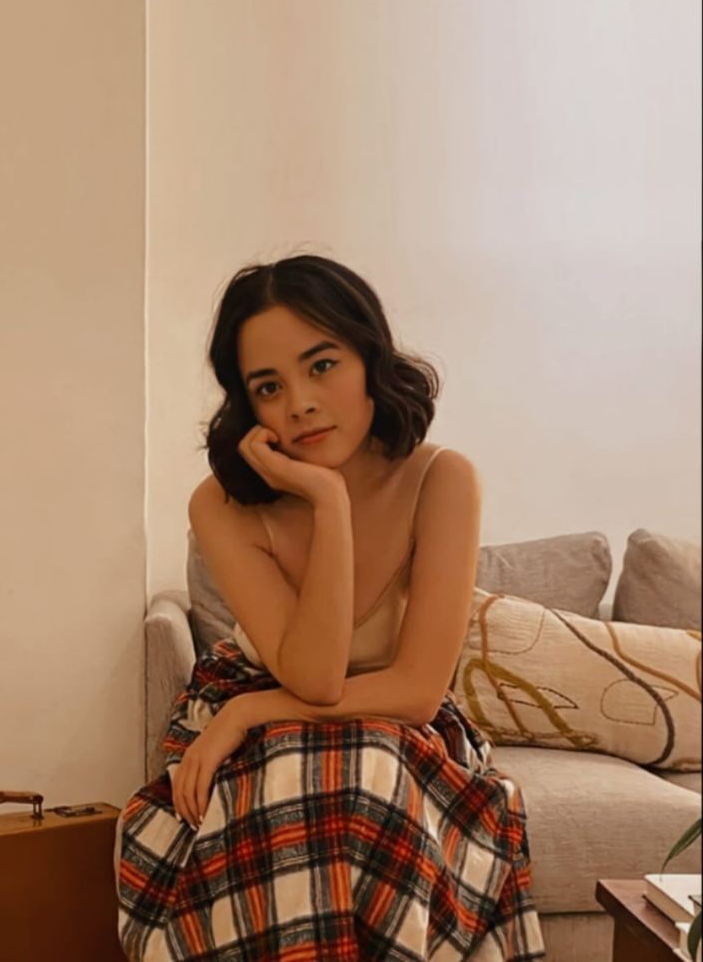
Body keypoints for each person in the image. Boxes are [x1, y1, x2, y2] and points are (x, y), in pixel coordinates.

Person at [117, 254, 546, 960]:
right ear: (246, 404)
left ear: (369, 356)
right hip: (262, 696)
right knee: (309, 778)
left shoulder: (442, 479)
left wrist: (249, 714)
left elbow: (412, 693)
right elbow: (312, 676)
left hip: (377, 724)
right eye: (268, 386)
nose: (300, 403)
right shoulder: (221, 504)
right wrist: (328, 499)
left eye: (322, 366)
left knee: (365, 771)